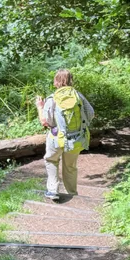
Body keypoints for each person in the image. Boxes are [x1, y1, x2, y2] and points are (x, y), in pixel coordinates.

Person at [35, 69, 95, 202]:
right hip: (76, 138)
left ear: (56, 82)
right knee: (70, 166)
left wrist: (40, 106)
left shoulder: (52, 98)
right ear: (71, 80)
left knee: (51, 160)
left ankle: (52, 190)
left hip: (56, 138)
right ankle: (72, 193)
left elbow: (45, 122)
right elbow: (91, 114)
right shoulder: (78, 96)